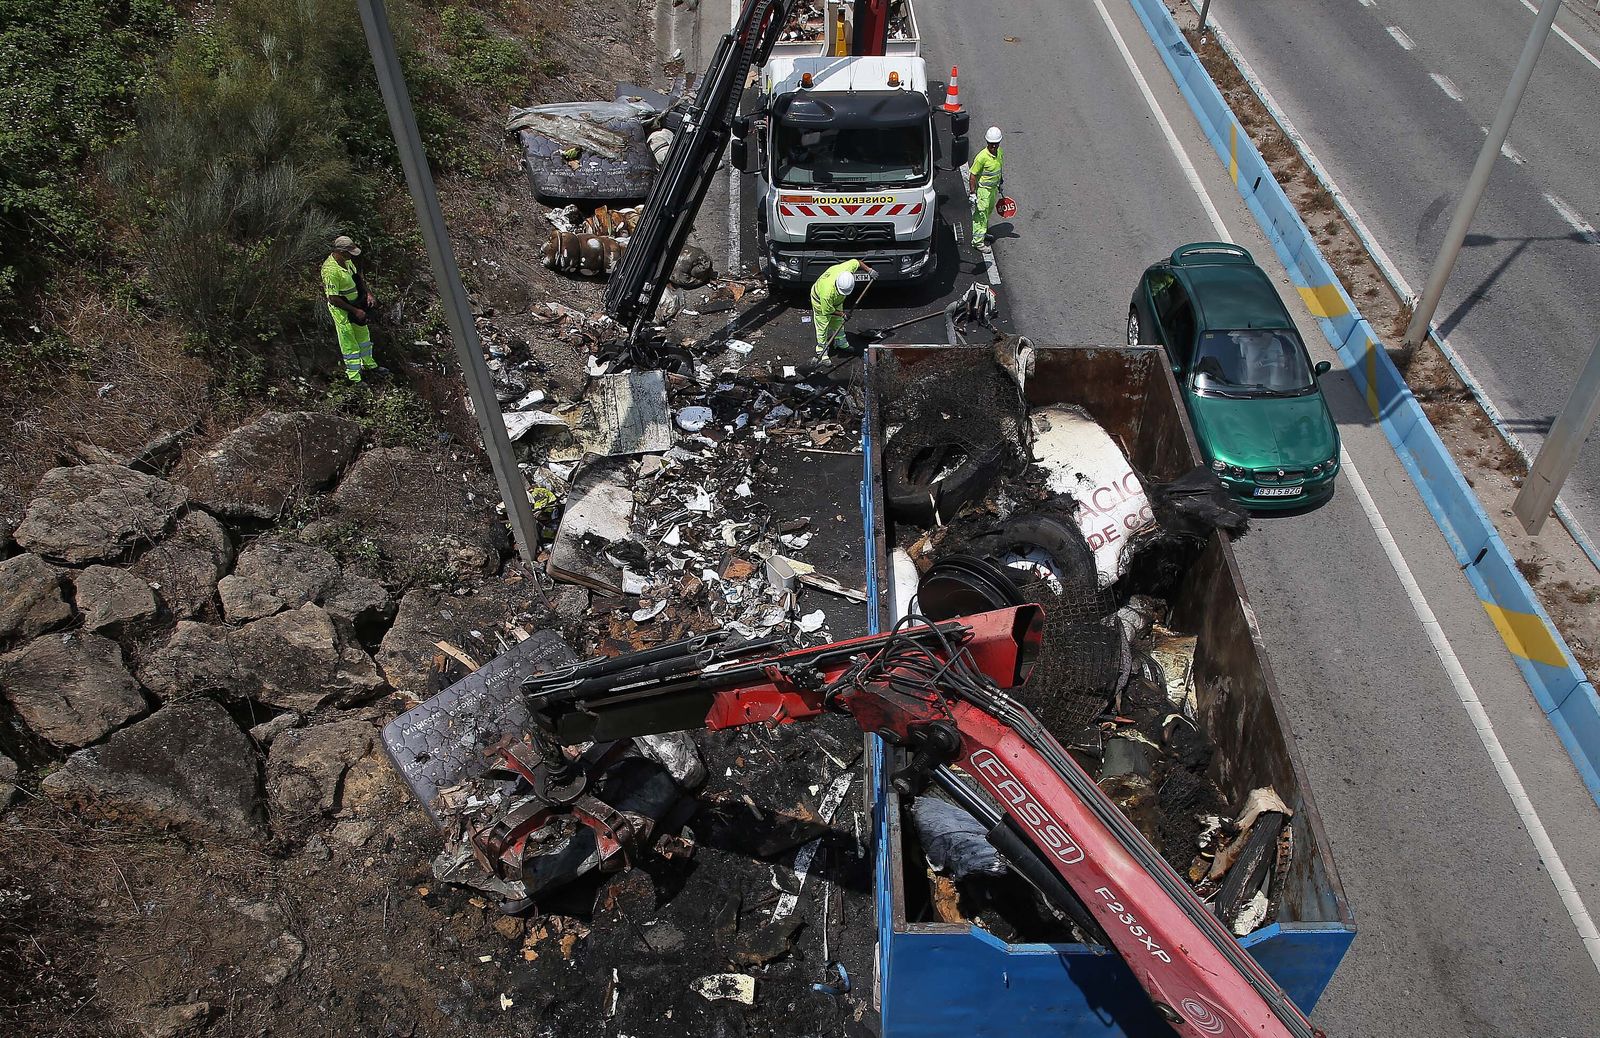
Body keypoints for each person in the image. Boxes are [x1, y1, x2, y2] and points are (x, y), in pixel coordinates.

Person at [322, 235, 379, 382]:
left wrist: (368, 295)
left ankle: (369, 365)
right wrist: (355, 311)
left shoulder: (348, 262)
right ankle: (354, 377)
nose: (351, 256)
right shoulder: (330, 270)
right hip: (342, 310)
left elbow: (358, 279)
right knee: (349, 342)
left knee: (363, 337)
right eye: (349, 252)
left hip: (357, 304)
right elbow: (333, 298)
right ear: (341, 251)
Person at [810, 259, 873, 359]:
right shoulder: (827, 292)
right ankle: (822, 351)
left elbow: (857, 262)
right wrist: (843, 314)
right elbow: (827, 310)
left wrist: (869, 270)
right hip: (819, 301)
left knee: (838, 321)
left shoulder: (846, 270)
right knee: (823, 324)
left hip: (836, 300)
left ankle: (840, 343)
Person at [968, 126, 1004, 253]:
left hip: (993, 190)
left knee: (987, 213)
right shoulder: (981, 157)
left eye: (996, 144)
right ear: (987, 143)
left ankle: (982, 234)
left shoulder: (999, 153)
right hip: (983, 191)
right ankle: (977, 242)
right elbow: (972, 175)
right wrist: (973, 193)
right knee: (981, 215)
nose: (994, 147)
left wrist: (1000, 182)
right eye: (991, 144)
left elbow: (999, 168)